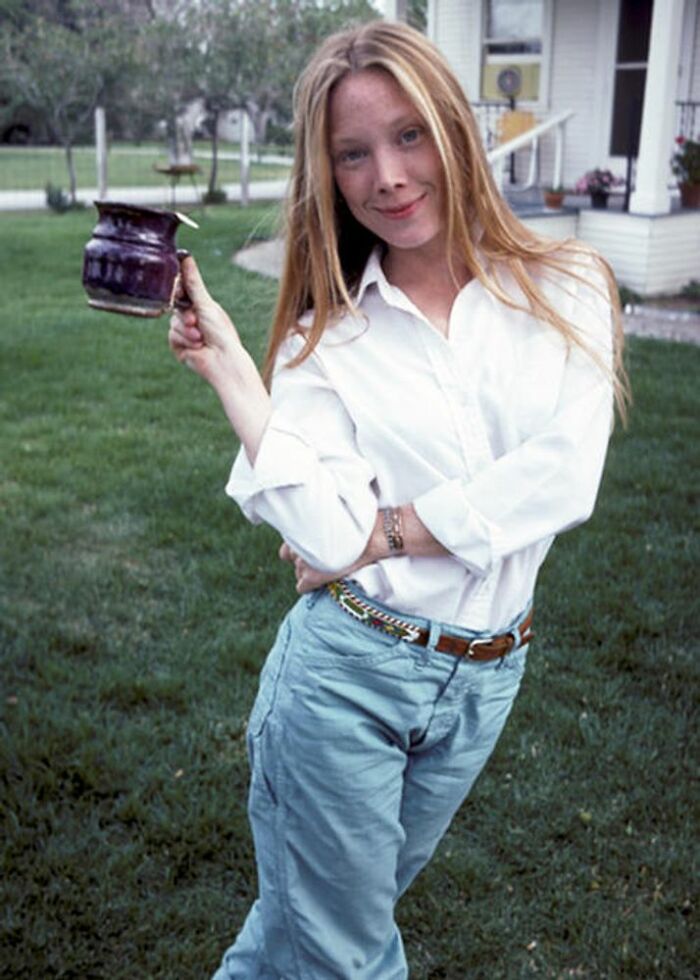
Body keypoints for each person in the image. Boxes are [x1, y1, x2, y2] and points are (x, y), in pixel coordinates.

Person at [168, 19, 628, 980]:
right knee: (348, 954)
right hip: (345, 680)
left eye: (409, 134)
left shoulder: (570, 286)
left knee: (302, 936)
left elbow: (563, 475)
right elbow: (328, 534)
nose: (387, 175)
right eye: (353, 153)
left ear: (455, 129)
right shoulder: (322, 336)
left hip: (486, 682)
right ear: (327, 172)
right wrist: (230, 375)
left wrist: (392, 530)